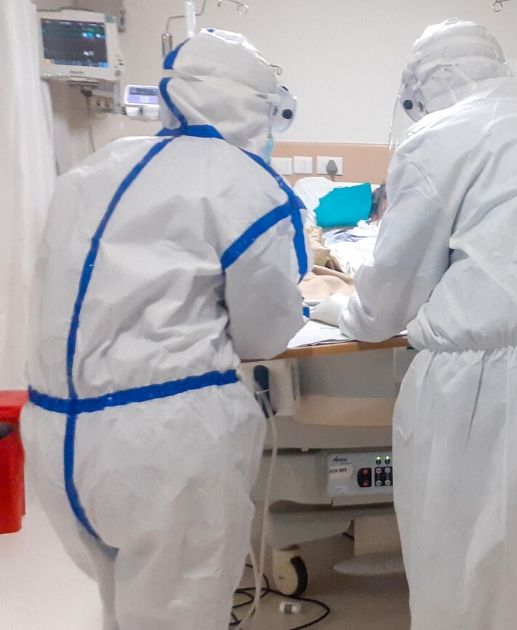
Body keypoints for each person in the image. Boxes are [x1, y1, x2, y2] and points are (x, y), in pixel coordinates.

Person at [311, 19, 517, 630]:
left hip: (490, 386)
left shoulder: (445, 135)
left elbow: (388, 303)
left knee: (463, 587)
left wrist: (335, 307)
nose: (415, 113)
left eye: (415, 100)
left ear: (435, 81)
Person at [23, 29, 307, 630]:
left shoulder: (91, 170)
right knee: (178, 614)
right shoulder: (242, 180)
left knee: (122, 608)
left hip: (55, 434)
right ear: (257, 107)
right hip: (163, 444)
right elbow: (266, 335)